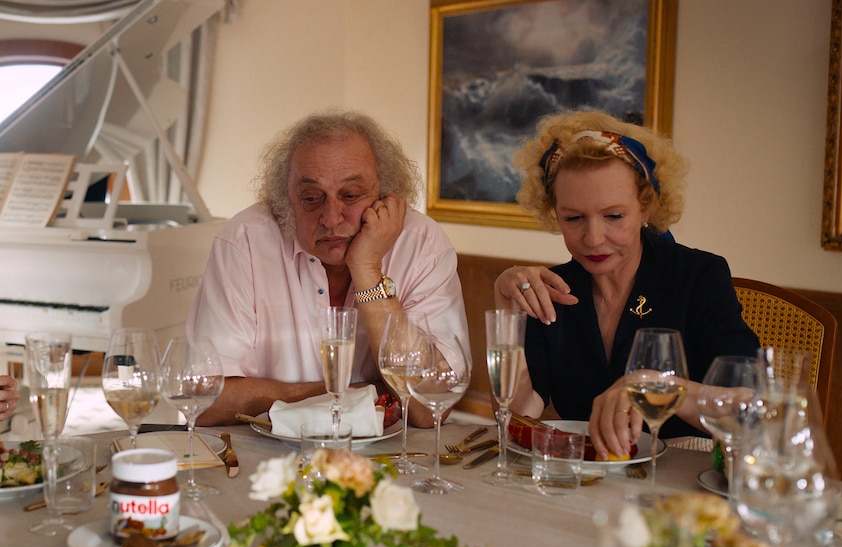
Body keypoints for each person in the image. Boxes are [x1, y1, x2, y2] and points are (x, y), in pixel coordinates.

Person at [495, 110, 759, 460]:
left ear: (646, 207)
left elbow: (751, 409)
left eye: (614, 216)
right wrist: (504, 304)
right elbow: (521, 412)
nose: (593, 238)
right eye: (574, 218)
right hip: (587, 479)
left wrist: (656, 387)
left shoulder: (697, 276)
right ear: (554, 213)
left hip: (681, 479)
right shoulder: (555, 290)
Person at [188, 110, 469, 428]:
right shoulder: (244, 242)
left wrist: (366, 269)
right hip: (264, 458)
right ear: (286, 199)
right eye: (310, 197)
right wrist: (351, 395)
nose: (331, 217)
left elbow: (427, 406)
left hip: (392, 461)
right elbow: (204, 400)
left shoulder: (422, 244)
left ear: (384, 195)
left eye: (350, 196)